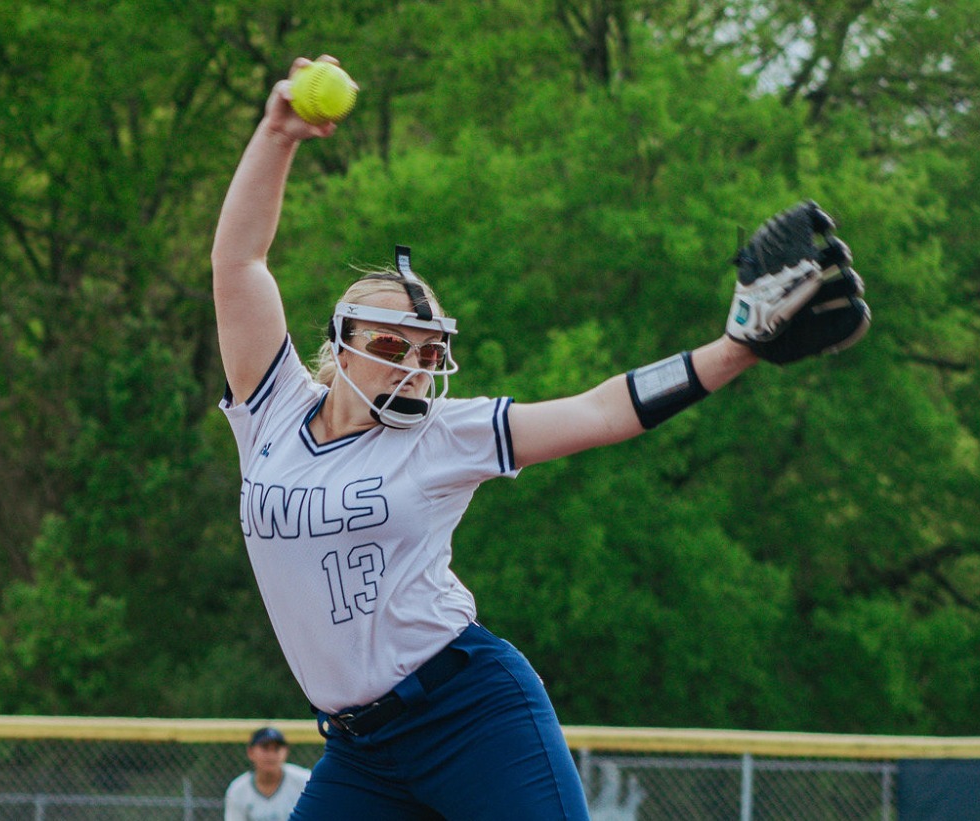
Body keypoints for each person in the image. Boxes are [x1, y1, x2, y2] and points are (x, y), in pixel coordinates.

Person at [211, 54, 869, 821]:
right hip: (359, 749)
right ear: (341, 344)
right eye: (392, 346)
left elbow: (598, 412)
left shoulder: (439, 435)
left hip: (468, 713)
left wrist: (732, 352)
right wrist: (277, 133)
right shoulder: (273, 408)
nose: (415, 369)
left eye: (428, 353)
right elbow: (238, 262)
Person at [224, 727, 312, 821]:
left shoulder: (305, 781)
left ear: (286, 752)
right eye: (265, 748)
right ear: (250, 752)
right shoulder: (238, 790)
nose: (271, 755)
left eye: (276, 749)